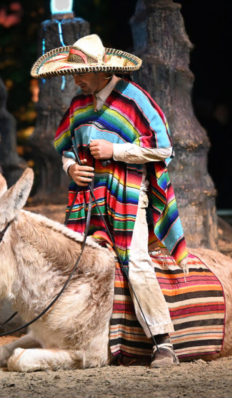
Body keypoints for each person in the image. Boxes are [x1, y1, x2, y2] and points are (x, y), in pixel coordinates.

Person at [31, 34, 191, 367]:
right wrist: (71, 167)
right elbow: (66, 146)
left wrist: (115, 151)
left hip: (129, 195)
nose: (76, 80)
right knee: (78, 265)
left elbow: (164, 149)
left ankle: (163, 343)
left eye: (82, 73)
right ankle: (81, 335)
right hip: (87, 198)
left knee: (135, 261)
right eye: (73, 73)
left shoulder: (135, 99)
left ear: (103, 70)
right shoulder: (78, 103)